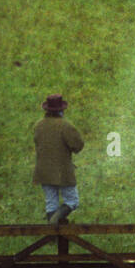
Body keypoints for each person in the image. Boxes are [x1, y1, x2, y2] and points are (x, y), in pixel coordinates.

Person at [33, 94, 84, 226]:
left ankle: (52, 237)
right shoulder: (65, 125)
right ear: (61, 110)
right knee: (72, 201)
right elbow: (77, 145)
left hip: (43, 170)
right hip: (62, 170)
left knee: (51, 204)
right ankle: (54, 221)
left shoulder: (38, 125)